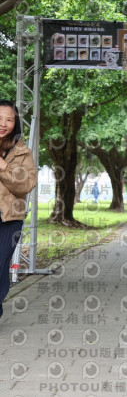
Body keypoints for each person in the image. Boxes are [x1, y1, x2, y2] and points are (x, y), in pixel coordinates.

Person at [0, 100, 37, 318]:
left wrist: (3, 166)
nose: (3, 124)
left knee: (1, 265)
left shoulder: (23, 152)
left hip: (10, 219)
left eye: (9, 120)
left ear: (16, 123)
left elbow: (26, 184)